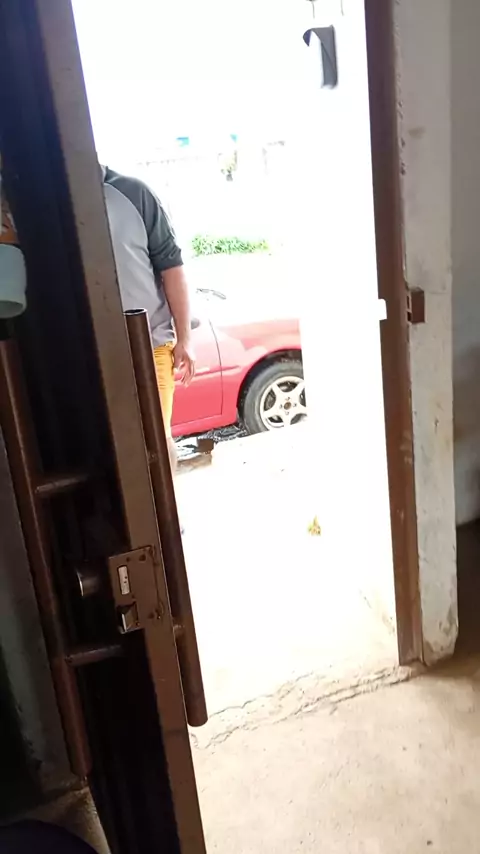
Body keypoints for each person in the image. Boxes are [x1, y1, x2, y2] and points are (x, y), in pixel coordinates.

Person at [101, 166, 195, 474]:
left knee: (157, 440)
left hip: (149, 345)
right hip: (92, 351)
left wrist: (185, 338)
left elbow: (172, 267)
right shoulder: (52, 199)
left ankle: (167, 504)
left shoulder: (132, 192)